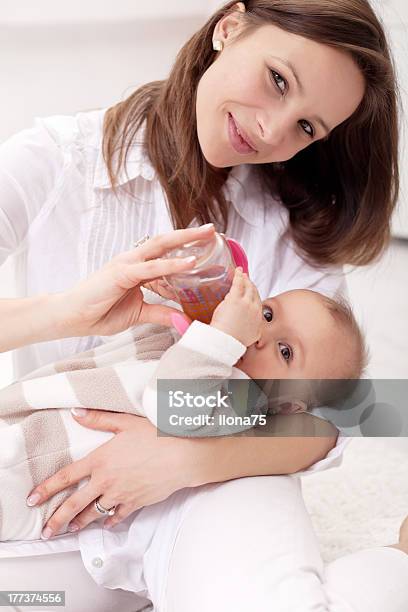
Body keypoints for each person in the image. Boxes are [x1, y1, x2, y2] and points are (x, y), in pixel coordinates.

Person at [0, 0, 407, 610]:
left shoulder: (289, 228)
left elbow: (332, 419)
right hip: (55, 504)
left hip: (211, 488)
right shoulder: (57, 160)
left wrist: (182, 458)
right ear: (230, 26)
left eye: (306, 127)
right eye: (277, 80)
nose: (273, 131)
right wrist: (69, 312)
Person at [0, 267, 368, 542]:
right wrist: (170, 286)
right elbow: (155, 333)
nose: (260, 334)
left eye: (285, 351)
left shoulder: (243, 403)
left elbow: (171, 403)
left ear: (288, 406)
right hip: (22, 426)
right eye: (268, 314)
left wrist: (222, 336)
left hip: (28, 479)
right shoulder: (204, 345)